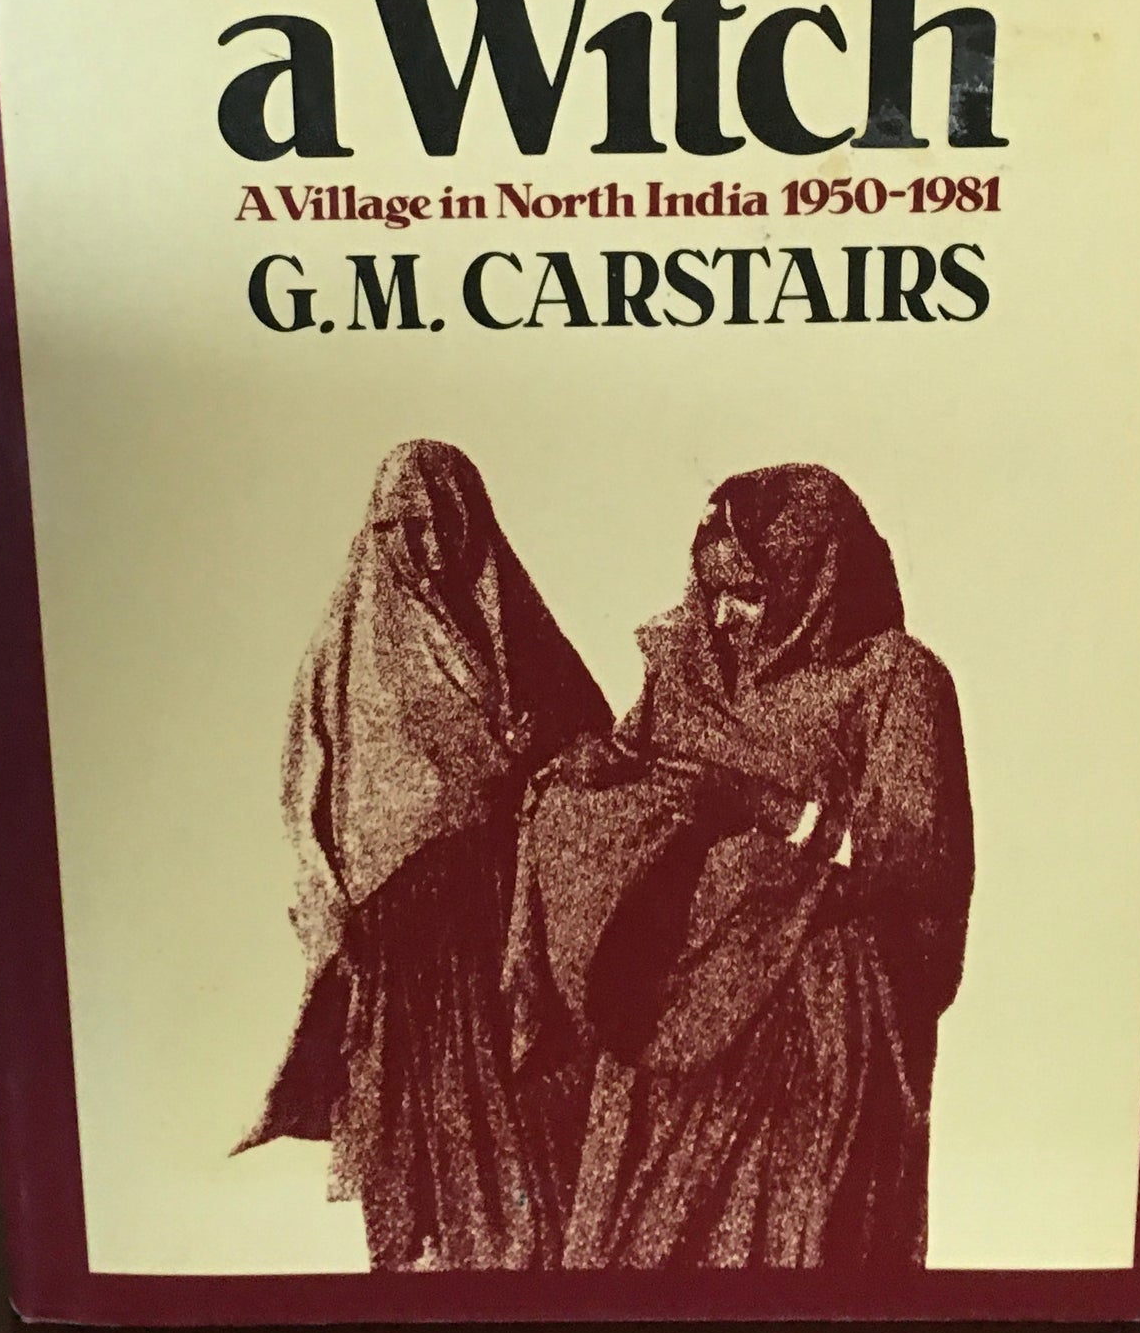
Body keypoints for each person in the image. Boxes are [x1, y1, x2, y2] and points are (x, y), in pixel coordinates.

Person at [509, 463, 973, 1273]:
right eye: (711, 588)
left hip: (809, 1018)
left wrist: (766, 809)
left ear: (814, 583)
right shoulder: (688, 668)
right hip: (668, 1011)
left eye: (748, 593)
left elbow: (917, 860)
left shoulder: (894, 678)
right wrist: (587, 773)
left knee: (785, 1250)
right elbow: (641, 765)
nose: (723, 616)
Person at [238, 440, 611, 1270]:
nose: (429, 545)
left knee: (531, 1111)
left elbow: (596, 746)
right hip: (406, 936)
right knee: (428, 1118)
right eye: (405, 526)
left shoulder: (522, 636)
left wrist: (540, 760)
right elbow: (314, 798)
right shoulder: (342, 652)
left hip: (515, 918)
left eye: (445, 523)